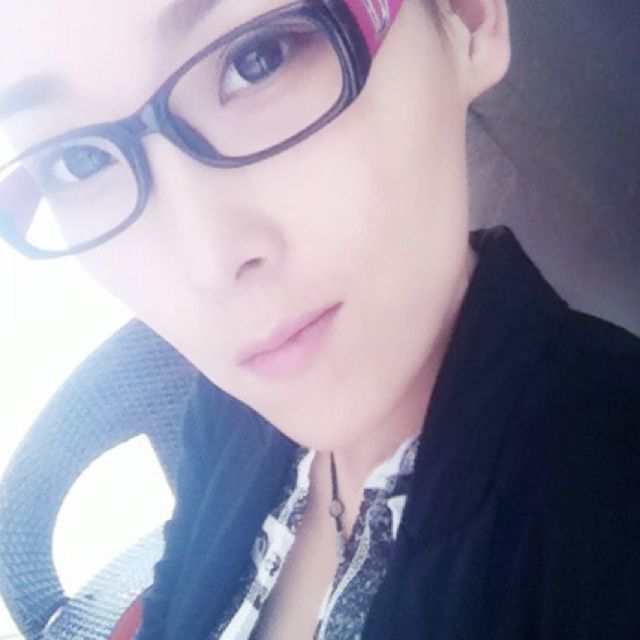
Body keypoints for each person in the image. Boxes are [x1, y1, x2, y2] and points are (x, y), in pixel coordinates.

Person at [0, 0, 638, 639]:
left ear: (464, 16)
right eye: (78, 160)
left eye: (258, 58)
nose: (206, 265)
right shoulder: (226, 416)